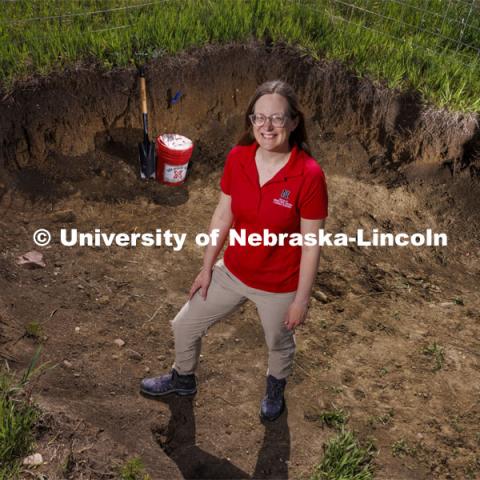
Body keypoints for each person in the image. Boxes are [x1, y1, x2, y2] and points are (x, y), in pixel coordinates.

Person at [141, 80, 328, 422]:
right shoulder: (239, 157)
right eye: (259, 118)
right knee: (184, 324)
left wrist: (301, 299)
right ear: (251, 121)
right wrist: (207, 266)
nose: (267, 126)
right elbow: (223, 214)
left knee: (279, 343)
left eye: (277, 118)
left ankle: (275, 386)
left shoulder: (309, 175)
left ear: (293, 122)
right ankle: (182, 379)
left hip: (279, 284)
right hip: (234, 270)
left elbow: (311, 244)